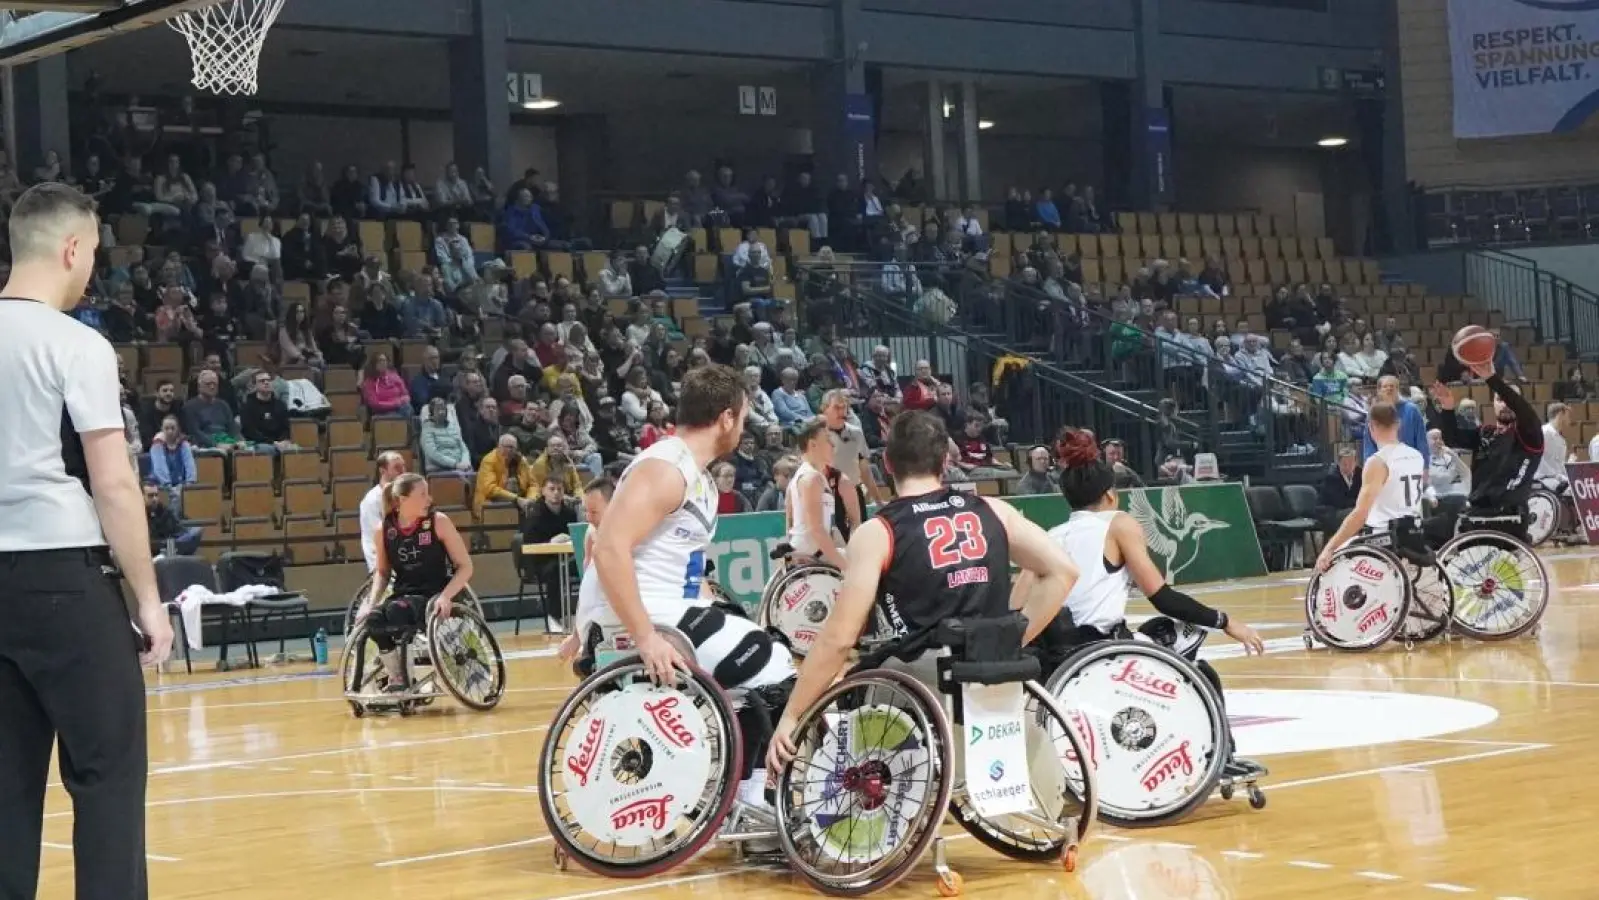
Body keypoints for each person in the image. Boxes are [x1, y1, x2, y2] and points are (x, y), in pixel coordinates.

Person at [0, 182, 172, 900]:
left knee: (5, 792)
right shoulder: (76, 344)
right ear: (72, 249)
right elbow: (114, 484)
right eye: (94, 253)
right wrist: (150, 602)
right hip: (64, 582)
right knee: (105, 776)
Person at [766, 411, 1083, 773]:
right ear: (945, 461)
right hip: (992, 669)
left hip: (922, 677)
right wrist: (1010, 638)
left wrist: (792, 715)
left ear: (887, 463)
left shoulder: (878, 531)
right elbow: (1064, 571)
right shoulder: (994, 510)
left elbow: (839, 637)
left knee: (841, 690)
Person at [573, 365, 797, 807]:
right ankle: (751, 794)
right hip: (649, 616)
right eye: (744, 415)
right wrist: (644, 637)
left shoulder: (695, 474)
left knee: (754, 648)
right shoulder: (665, 468)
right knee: (771, 659)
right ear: (727, 418)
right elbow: (608, 547)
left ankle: (737, 789)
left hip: (669, 606)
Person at [1030, 428, 1264, 780]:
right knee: (1199, 666)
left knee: (1158, 634)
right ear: (1110, 494)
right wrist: (1226, 621)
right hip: (1101, 649)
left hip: (1057, 653)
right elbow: (1162, 597)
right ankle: (1220, 756)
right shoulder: (1118, 524)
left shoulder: (1050, 536)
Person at [354, 474, 474, 692]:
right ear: (402, 500)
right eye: (422, 494)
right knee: (373, 620)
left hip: (435, 593)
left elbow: (466, 567)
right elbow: (382, 572)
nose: (429, 499)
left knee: (399, 612)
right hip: (403, 594)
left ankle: (406, 677)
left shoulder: (438, 522)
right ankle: (398, 676)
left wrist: (446, 596)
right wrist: (370, 603)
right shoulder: (384, 530)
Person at [1427, 358, 1545, 543]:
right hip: (1478, 512)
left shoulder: (1530, 434)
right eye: (1500, 399)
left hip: (1506, 515)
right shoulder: (1486, 432)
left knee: (1429, 532)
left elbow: (1521, 407)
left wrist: (1492, 378)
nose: (1506, 404)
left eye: (1510, 401)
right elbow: (1452, 438)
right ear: (1493, 404)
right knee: (1423, 529)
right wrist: (1448, 409)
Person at [1316, 403, 1428, 572]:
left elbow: (1360, 514)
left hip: (1385, 536)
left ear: (1371, 427)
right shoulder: (1416, 456)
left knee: (1332, 559)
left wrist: (1329, 548)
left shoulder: (1378, 461)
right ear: (1398, 424)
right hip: (1415, 532)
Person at [784, 419, 847, 570]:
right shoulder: (811, 478)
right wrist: (844, 565)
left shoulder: (802, 477)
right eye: (827, 439)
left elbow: (789, 525)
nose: (832, 444)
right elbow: (816, 530)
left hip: (806, 554)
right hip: (811, 557)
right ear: (813, 445)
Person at [360, 451, 407, 572]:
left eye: (403, 466)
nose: (403, 471)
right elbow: (379, 536)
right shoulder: (371, 500)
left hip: (406, 557)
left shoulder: (406, 496)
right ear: (382, 471)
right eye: (397, 467)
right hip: (382, 561)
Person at [1537, 401, 1571, 490]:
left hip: (1558, 480)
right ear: (1560, 414)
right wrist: (1557, 476)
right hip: (1544, 480)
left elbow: (1559, 465)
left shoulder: (1562, 441)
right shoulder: (1543, 433)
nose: (1569, 420)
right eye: (1567, 416)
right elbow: (1538, 460)